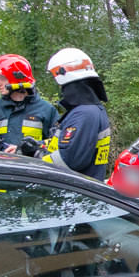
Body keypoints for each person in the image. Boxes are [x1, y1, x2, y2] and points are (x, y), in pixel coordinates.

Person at [40, 48, 111, 180]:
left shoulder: (85, 114)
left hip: (74, 193)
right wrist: (39, 144)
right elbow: (66, 143)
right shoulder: (87, 110)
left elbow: (70, 160)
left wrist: (37, 156)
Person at [0, 54, 58, 153]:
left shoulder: (46, 110)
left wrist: (31, 147)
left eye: (2, 78)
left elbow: (57, 144)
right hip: (1, 166)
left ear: (17, 78)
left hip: (31, 167)